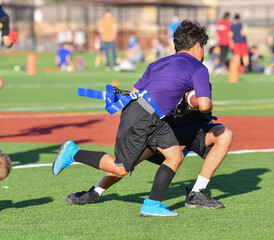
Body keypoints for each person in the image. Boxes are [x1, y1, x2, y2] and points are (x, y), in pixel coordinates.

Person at [52, 20, 213, 217]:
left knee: (174, 156)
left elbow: (134, 92)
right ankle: (73, 152)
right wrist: (192, 102)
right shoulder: (198, 67)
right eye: (203, 47)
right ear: (197, 46)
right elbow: (204, 105)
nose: (203, 52)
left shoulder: (158, 62)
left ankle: (152, 205)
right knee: (120, 168)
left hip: (149, 115)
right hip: (145, 116)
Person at [66, 105, 233, 209]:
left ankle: (197, 193)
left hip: (194, 130)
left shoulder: (198, 71)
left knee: (225, 135)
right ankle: (96, 192)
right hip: (165, 131)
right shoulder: (169, 71)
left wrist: (193, 102)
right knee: (123, 165)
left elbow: (201, 101)